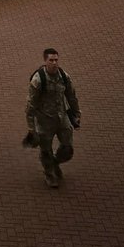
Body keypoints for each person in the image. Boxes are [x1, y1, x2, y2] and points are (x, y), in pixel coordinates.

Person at [24, 48, 81, 189]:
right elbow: (30, 106)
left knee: (67, 149)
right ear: (45, 61)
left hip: (62, 118)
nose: (54, 63)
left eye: (56, 60)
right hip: (44, 121)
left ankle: (55, 162)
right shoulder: (38, 80)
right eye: (51, 60)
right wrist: (32, 129)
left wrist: (76, 113)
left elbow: (71, 96)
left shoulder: (64, 76)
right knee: (46, 151)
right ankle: (49, 174)